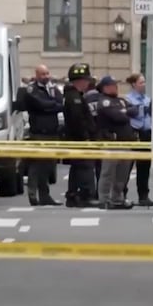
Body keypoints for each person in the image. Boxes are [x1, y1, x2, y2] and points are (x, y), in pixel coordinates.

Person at [24, 64, 63, 206]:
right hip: (38, 133)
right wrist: (51, 106)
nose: (46, 76)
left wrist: (50, 106)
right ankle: (32, 195)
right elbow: (39, 104)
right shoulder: (32, 89)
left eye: (47, 73)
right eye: (43, 74)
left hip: (52, 132)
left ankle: (45, 196)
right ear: (37, 74)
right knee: (36, 165)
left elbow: (61, 104)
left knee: (48, 166)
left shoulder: (53, 88)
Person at [96, 76, 137, 209]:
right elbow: (117, 117)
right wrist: (125, 112)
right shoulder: (104, 101)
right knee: (108, 173)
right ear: (106, 87)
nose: (116, 87)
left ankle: (117, 198)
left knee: (122, 174)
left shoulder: (120, 100)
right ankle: (104, 199)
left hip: (125, 142)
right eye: (113, 85)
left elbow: (134, 110)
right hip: (111, 143)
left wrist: (124, 112)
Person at [62, 63, 100, 208]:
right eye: (86, 80)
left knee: (77, 168)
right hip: (80, 140)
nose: (88, 84)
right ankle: (85, 195)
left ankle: (72, 195)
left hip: (76, 139)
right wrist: (86, 138)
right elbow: (78, 121)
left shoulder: (74, 95)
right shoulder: (75, 98)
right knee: (85, 167)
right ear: (80, 81)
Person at [123, 73, 153, 206]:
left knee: (144, 167)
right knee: (127, 166)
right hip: (134, 134)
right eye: (141, 82)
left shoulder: (147, 99)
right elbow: (128, 113)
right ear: (134, 84)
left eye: (144, 82)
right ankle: (121, 194)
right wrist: (137, 110)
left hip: (147, 134)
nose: (144, 85)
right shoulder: (127, 99)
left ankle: (143, 195)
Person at [84, 77, 102, 196]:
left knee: (88, 166)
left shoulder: (84, 99)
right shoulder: (101, 98)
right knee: (101, 166)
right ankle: (99, 191)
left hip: (89, 136)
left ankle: (89, 191)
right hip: (101, 135)